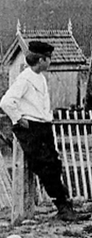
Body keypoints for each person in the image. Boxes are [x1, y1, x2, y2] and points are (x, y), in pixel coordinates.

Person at [0, 41, 85, 222]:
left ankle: (65, 207)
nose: (50, 62)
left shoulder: (39, 77)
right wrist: (18, 119)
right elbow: (6, 102)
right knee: (46, 167)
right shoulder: (25, 79)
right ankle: (63, 208)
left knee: (53, 165)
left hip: (43, 127)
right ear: (40, 60)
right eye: (48, 59)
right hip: (32, 128)